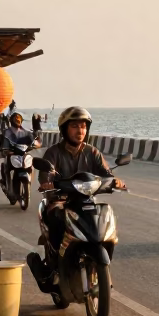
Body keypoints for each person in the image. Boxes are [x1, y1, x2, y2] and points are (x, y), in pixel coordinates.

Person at [37, 106, 126, 250]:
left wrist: (114, 181)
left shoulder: (92, 152)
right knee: (55, 215)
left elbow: (106, 173)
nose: (80, 131)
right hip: (61, 200)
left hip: (86, 200)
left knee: (105, 214)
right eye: (74, 126)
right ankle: (56, 258)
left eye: (83, 126)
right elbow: (45, 176)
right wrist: (48, 183)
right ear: (65, 129)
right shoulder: (53, 152)